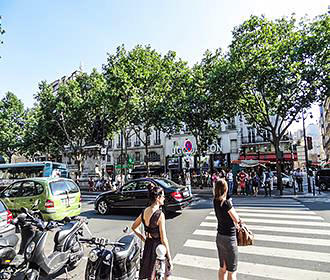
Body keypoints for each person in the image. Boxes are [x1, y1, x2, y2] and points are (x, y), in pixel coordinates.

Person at [132, 184, 173, 280]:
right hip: (158, 248)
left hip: (148, 246)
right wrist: (169, 258)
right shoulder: (160, 215)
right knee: (165, 274)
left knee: (150, 274)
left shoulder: (145, 211)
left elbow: (134, 227)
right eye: (163, 196)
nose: (164, 198)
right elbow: (164, 239)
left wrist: (144, 238)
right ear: (158, 198)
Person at [213, 179, 242, 280]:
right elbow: (236, 219)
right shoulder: (226, 204)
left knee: (223, 267)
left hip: (220, 237)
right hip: (229, 238)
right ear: (226, 189)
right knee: (232, 271)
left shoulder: (215, 201)